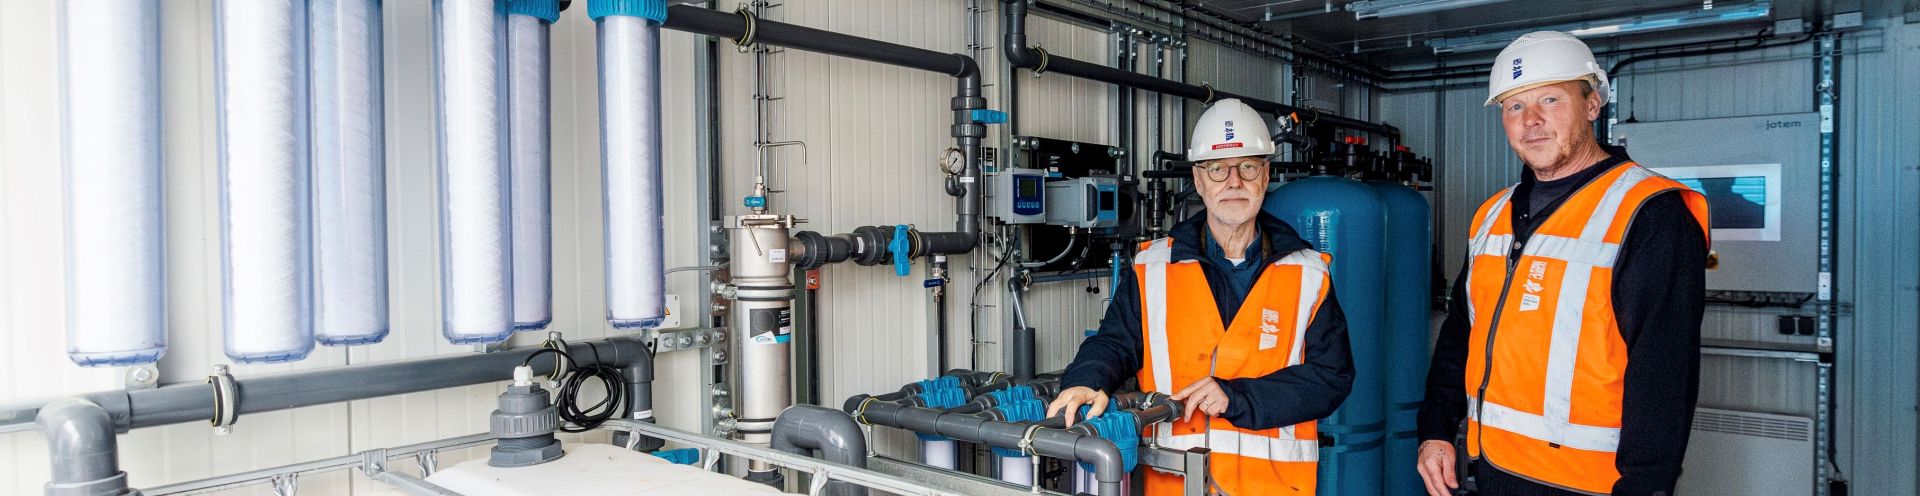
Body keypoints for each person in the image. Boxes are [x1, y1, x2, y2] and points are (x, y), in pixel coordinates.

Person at [1414, 31, 1712, 496]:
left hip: (1589, 484)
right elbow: (1462, 332)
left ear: (1592, 104)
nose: (1530, 121)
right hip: (1491, 471)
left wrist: (1647, 486)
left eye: (1550, 99)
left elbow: (1664, 373)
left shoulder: (1649, 213)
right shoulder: (1493, 214)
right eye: (1514, 106)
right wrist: (1435, 427)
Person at [1047, 98, 1354, 496]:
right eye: (1218, 168)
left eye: (1247, 166)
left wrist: (1238, 396)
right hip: (1175, 484)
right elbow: (1115, 341)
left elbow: (1331, 378)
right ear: (1199, 178)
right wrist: (1085, 380)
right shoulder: (1153, 266)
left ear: (1265, 174)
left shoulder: (1308, 273)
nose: (1234, 182)